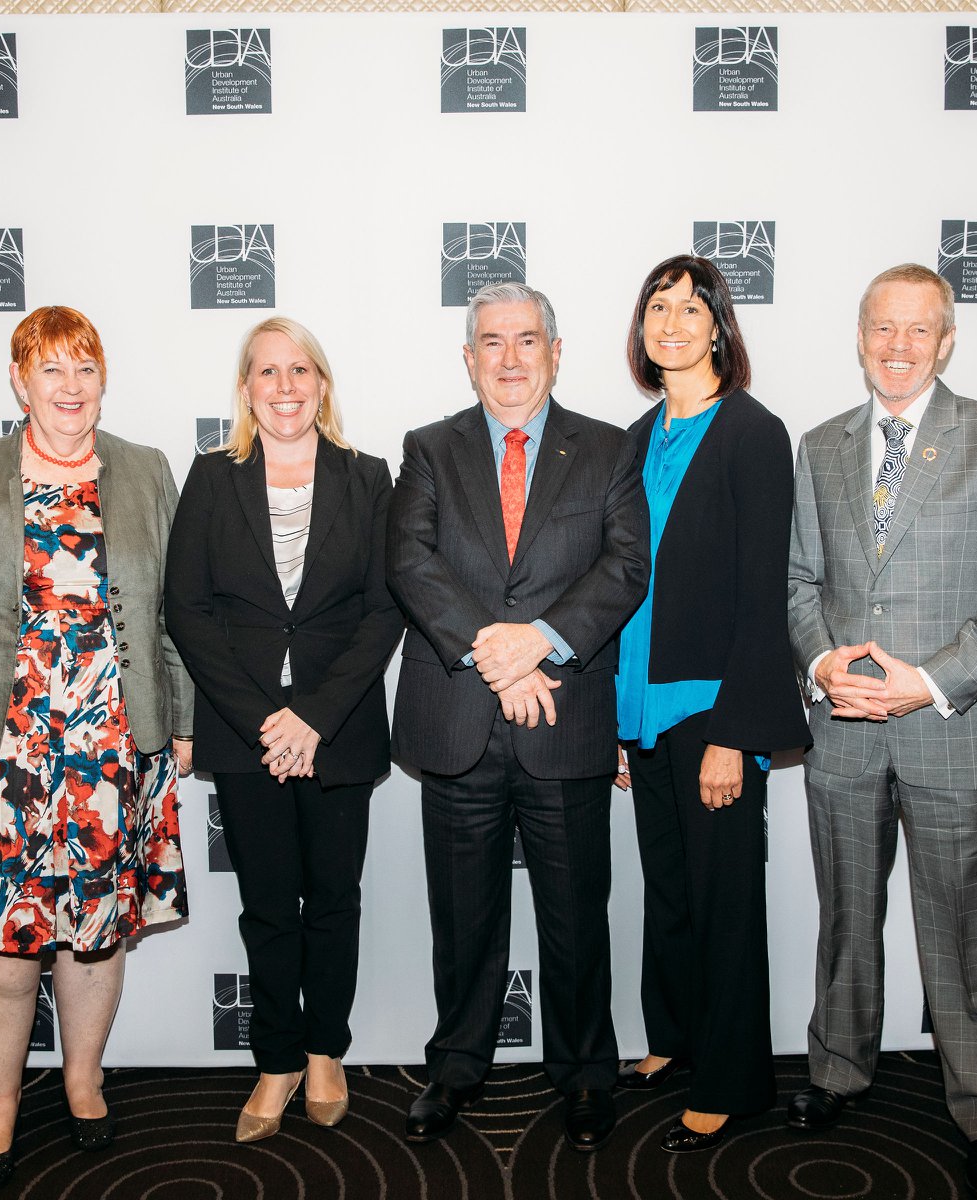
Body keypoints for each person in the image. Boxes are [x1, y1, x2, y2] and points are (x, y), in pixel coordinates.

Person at [0, 305, 194, 1192]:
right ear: (18, 381)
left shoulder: (143, 472)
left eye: (84, 369)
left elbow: (174, 614)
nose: (69, 387)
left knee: (95, 939)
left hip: (111, 754)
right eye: (50, 370)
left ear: (104, 380)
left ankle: (83, 1080)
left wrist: (180, 724)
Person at [786, 264, 977, 1200]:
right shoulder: (820, 445)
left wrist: (927, 681)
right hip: (846, 730)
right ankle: (837, 1069)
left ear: (945, 341)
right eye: (880, 329)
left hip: (952, 723)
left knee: (969, 928)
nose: (897, 347)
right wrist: (823, 666)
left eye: (917, 331)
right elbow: (799, 583)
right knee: (846, 917)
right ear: (860, 336)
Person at [387, 281, 649, 1151]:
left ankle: (583, 1074)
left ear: (556, 350)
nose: (509, 359)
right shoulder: (428, 448)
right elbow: (411, 562)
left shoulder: (609, 450)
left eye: (526, 341)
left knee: (577, 915)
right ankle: (457, 1065)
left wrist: (536, 642)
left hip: (563, 717)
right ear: (469, 359)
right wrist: (494, 655)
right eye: (491, 343)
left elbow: (623, 569)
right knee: (463, 919)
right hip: (458, 718)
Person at [166, 316, 403, 1142]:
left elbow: (385, 611)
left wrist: (314, 716)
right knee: (268, 905)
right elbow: (186, 612)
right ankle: (276, 1061)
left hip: (338, 730)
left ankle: (327, 1051)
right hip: (245, 734)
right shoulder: (211, 478)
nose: (285, 387)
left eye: (300, 370)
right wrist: (268, 718)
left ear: (323, 384)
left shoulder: (369, 479)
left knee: (333, 899)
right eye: (267, 372)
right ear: (246, 390)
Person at [612, 254, 808, 1152]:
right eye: (659, 306)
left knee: (727, 899)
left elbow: (764, 596)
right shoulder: (633, 437)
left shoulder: (753, 433)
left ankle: (733, 1078)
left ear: (721, 325)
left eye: (693, 307)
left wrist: (736, 733)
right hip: (641, 708)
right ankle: (677, 1038)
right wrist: (617, 718)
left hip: (713, 711)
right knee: (671, 890)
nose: (674, 321)